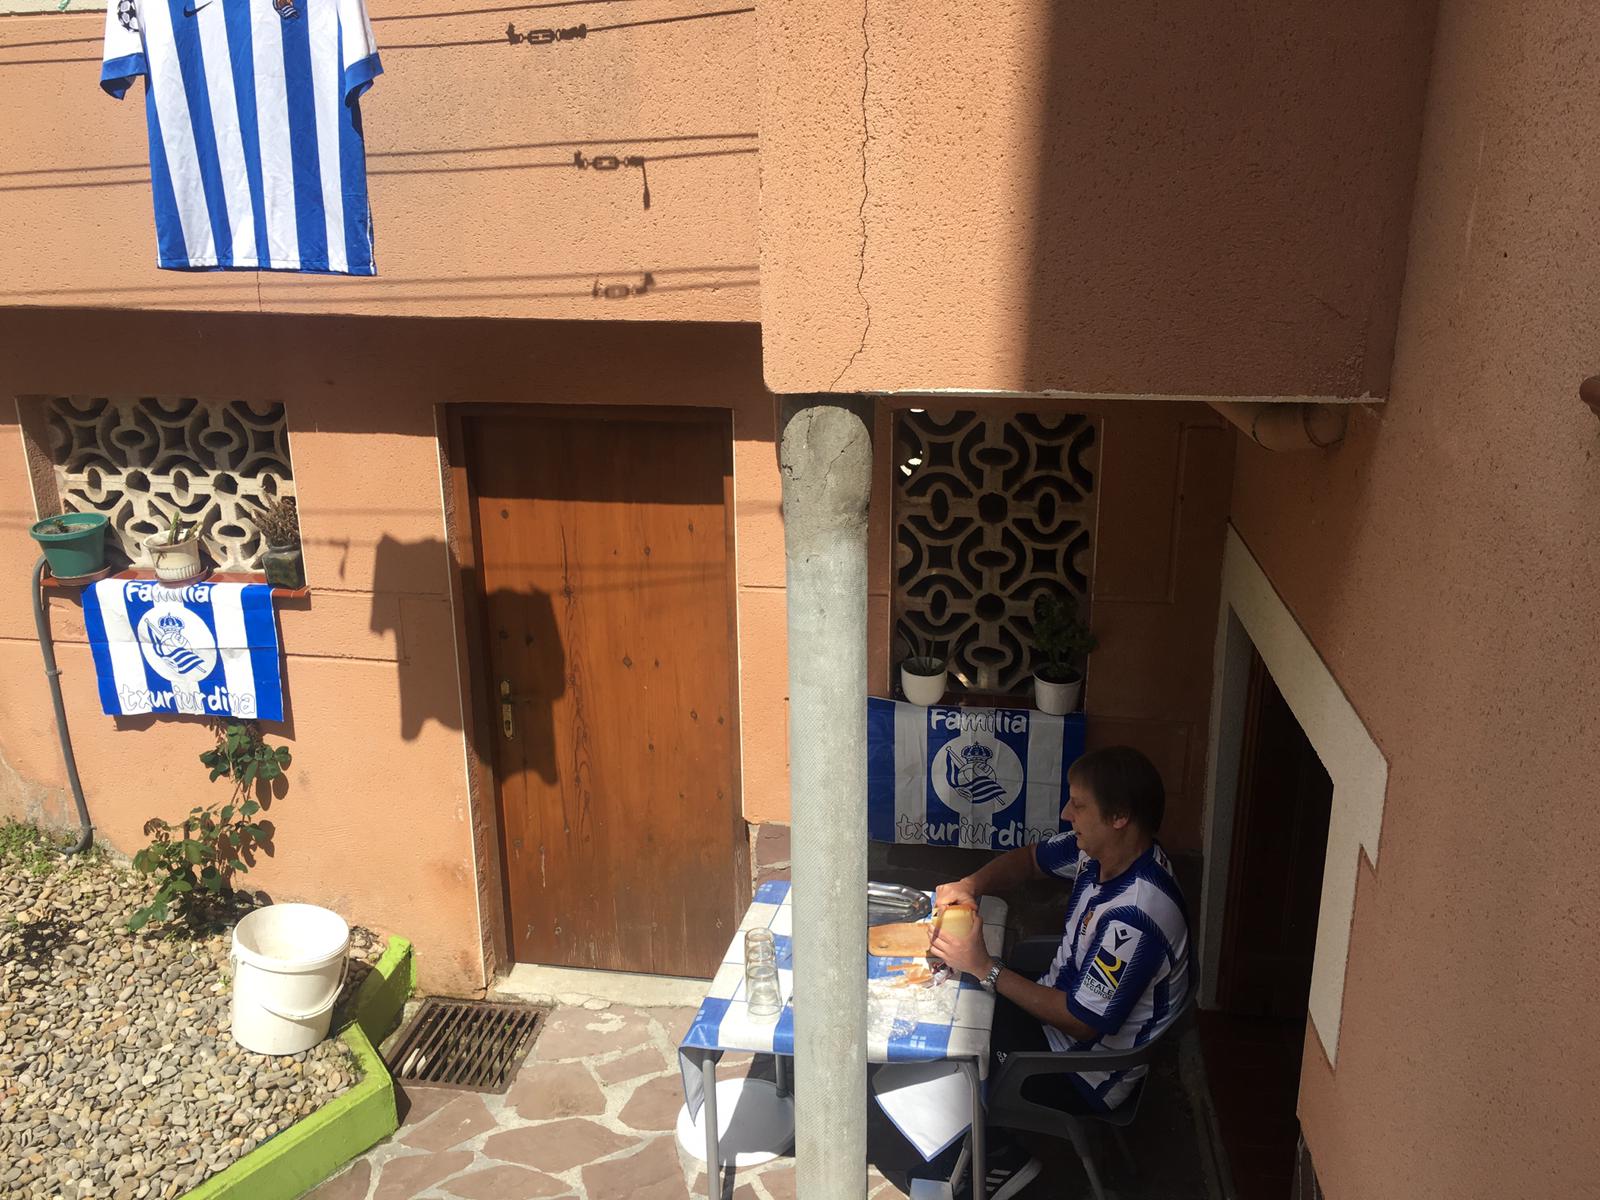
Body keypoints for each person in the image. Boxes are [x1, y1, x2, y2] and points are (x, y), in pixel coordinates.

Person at [928, 745, 1192, 1198]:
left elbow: (1081, 1020)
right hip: (1056, 1015)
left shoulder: (1135, 917)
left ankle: (1001, 1159)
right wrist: (970, 885)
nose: (1067, 813)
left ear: (1120, 817)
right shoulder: (1103, 851)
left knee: (946, 1047)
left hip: (1082, 1070)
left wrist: (986, 967)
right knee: (946, 1001)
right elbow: (1030, 859)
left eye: (1079, 804)